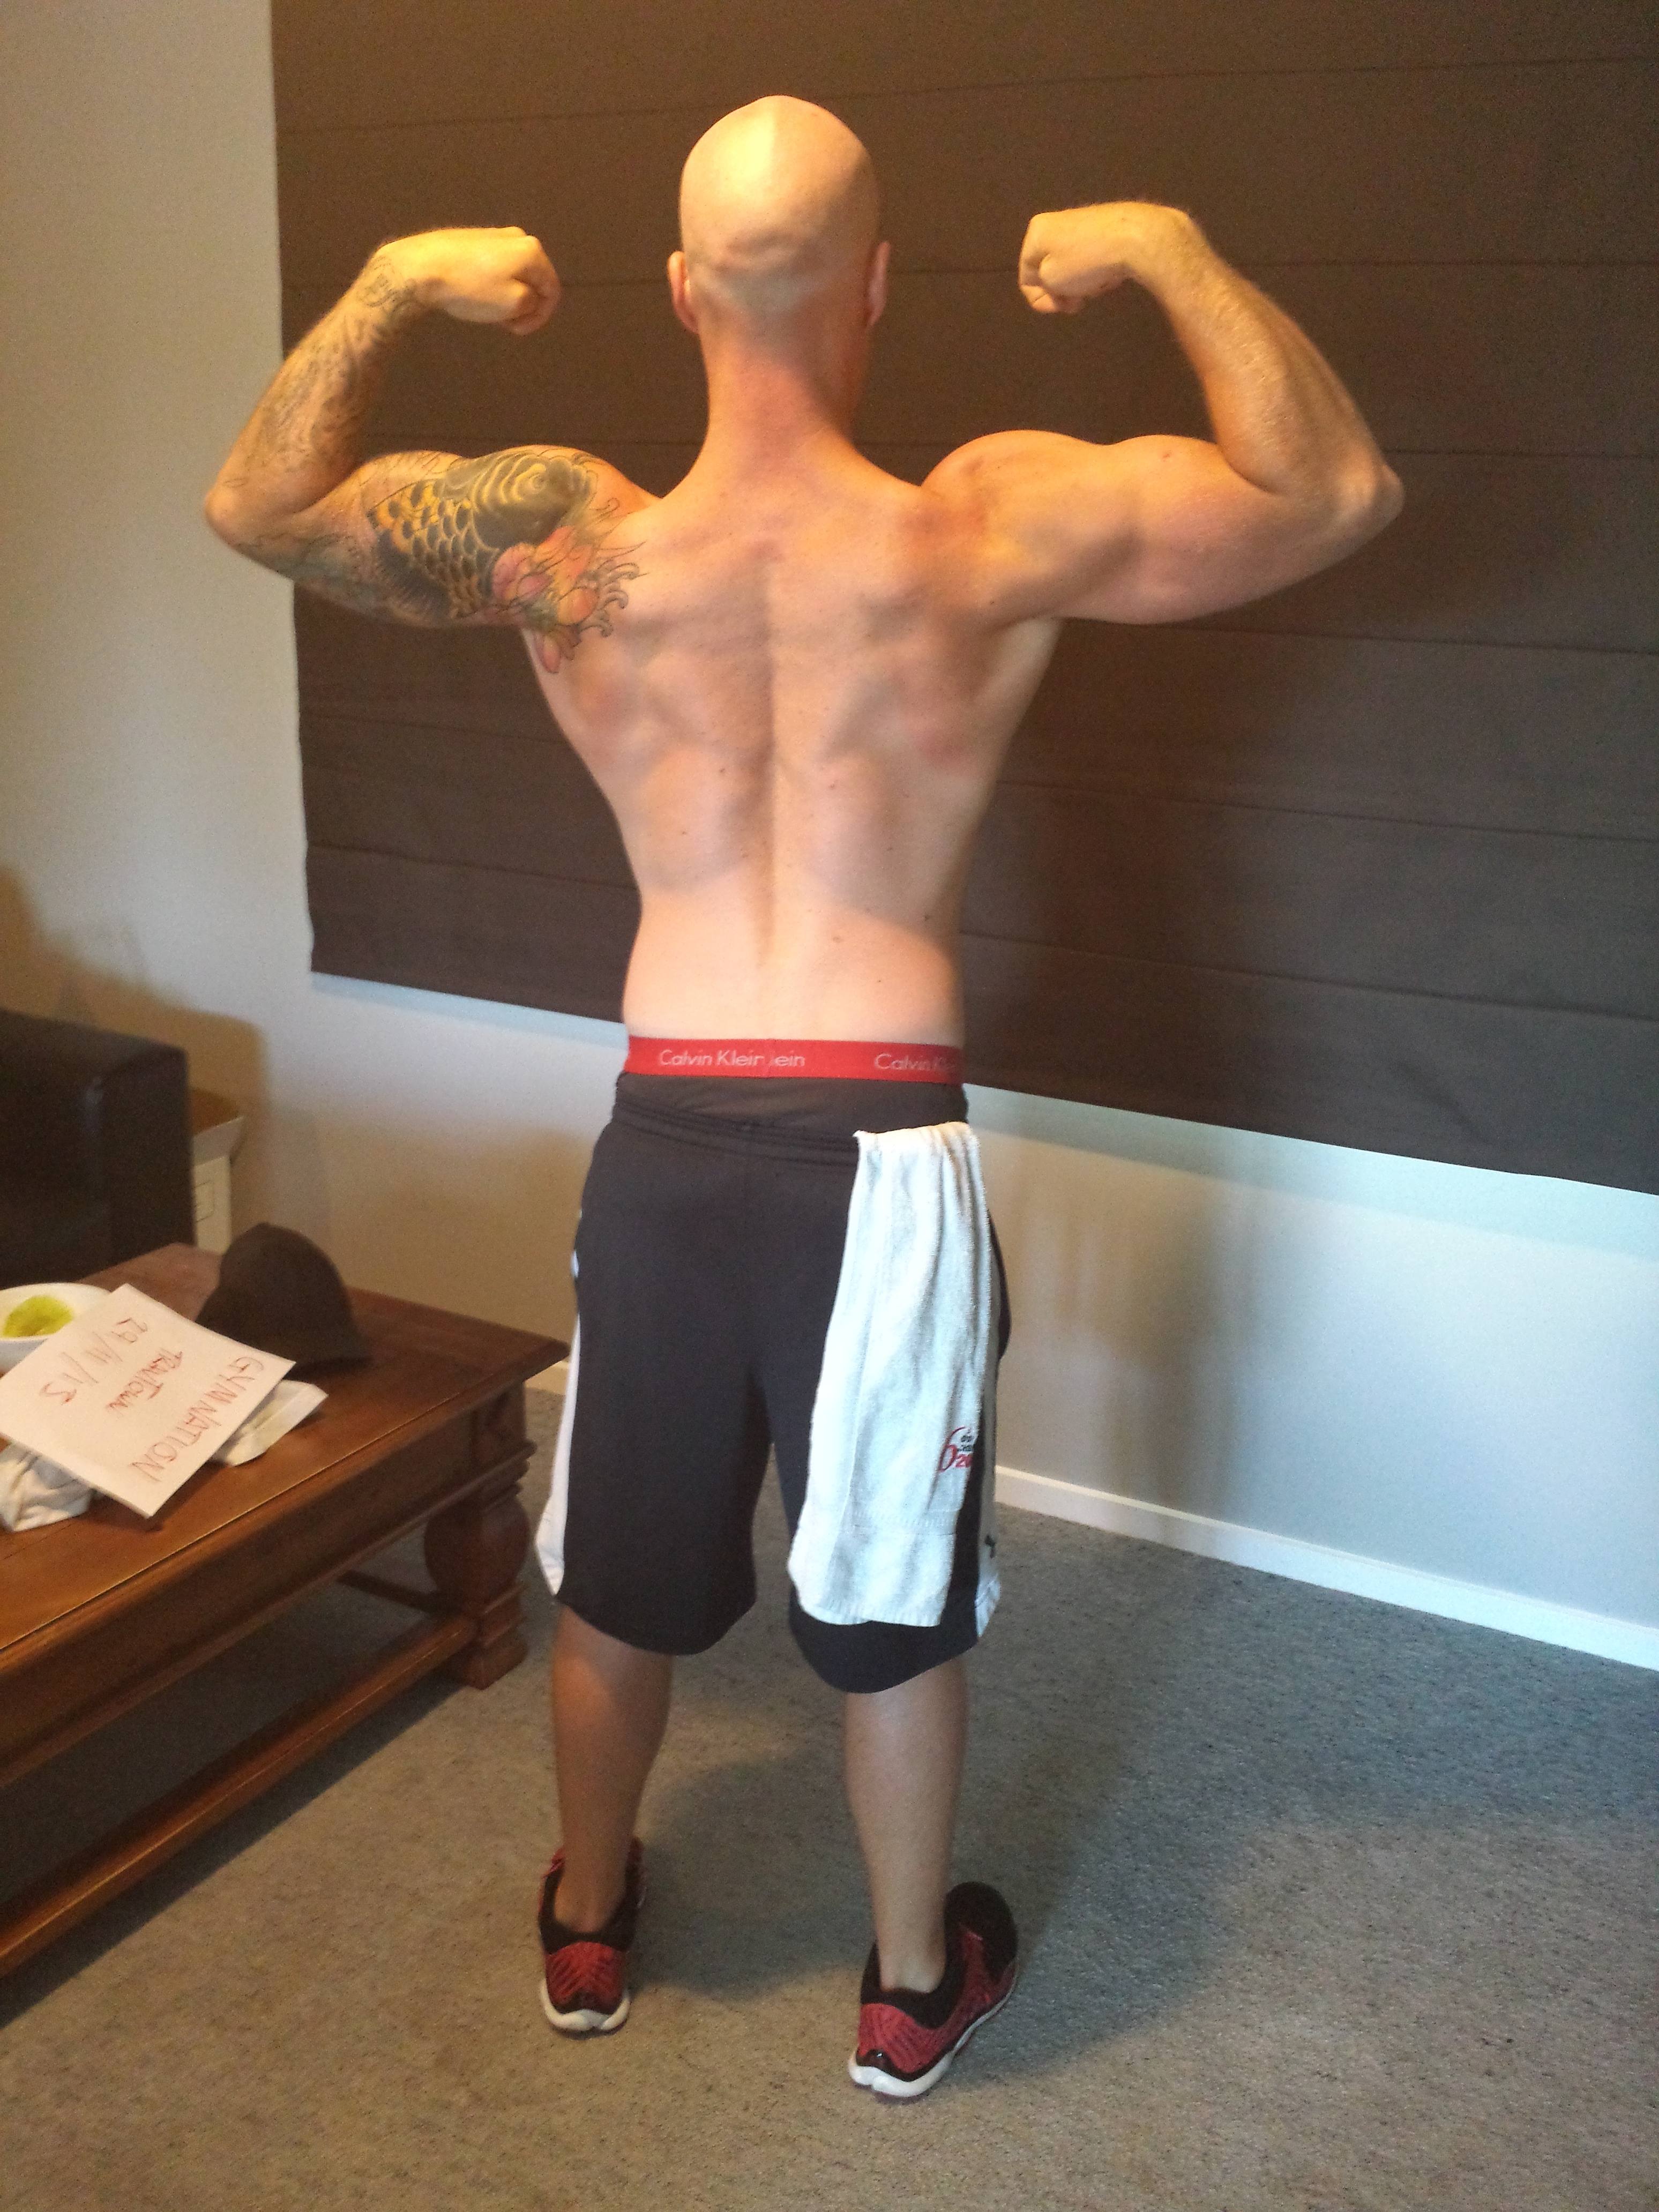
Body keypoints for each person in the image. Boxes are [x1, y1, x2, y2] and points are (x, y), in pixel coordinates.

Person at [207, 94, 1401, 2098]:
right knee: (891, 1596)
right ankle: (912, 1987)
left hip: (665, 1141)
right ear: (877, 287)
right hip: (880, 1152)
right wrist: (1168, 246)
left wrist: (398, 283)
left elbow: (259, 503)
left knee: (617, 1578)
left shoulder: (567, 538)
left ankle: (589, 1926)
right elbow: (1334, 487)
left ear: (683, 294)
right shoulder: (982, 524)